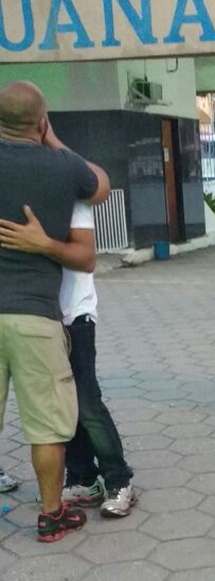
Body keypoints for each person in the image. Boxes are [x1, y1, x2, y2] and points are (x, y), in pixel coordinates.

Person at [0, 81, 110, 541]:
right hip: (34, 315)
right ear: (41, 122)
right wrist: (54, 141)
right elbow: (101, 184)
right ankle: (50, 515)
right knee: (47, 422)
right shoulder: (62, 167)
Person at [0, 202, 135, 517]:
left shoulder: (69, 192)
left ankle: (118, 479)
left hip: (74, 316)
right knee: (61, 407)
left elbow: (86, 258)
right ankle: (83, 478)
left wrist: (42, 243)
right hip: (35, 318)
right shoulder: (20, 195)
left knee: (87, 404)